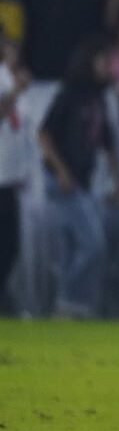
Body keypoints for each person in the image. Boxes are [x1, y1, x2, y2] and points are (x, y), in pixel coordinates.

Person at [37, 47, 119, 317]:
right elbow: (44, 134)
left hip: (82, 182)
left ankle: (76, 304)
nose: (108, 65)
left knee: (77, 247)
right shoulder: (69, 95)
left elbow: (108, 144)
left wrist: (118, 181)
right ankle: (69, 301)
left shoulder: (99, 99)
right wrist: (61, 171)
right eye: (103, 59)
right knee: (92, 243)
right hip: (63, 180)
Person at [0, 40, 29, 305]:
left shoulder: (8, 77)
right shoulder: (9, 82)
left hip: (9, 174)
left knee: (11, 245)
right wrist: (16, 92)